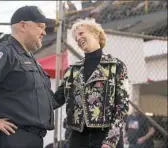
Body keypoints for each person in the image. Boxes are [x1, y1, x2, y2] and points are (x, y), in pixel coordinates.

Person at [0, 6, 55, 148]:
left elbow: (47, 101)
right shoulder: (4, 52)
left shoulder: (32, 61)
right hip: (9, 137)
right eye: (40, 26)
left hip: (32, 138)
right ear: (23, 25)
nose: (44, 32)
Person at [52, 18, 129, 148]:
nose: (78, 38)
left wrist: (111, 140)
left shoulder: (116, 66)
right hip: (77, 138)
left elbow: (122, 106)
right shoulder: (72, 70)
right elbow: (56, 99)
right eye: (75, 37)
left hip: (105, 137)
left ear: (95, 33)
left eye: (81, 33)